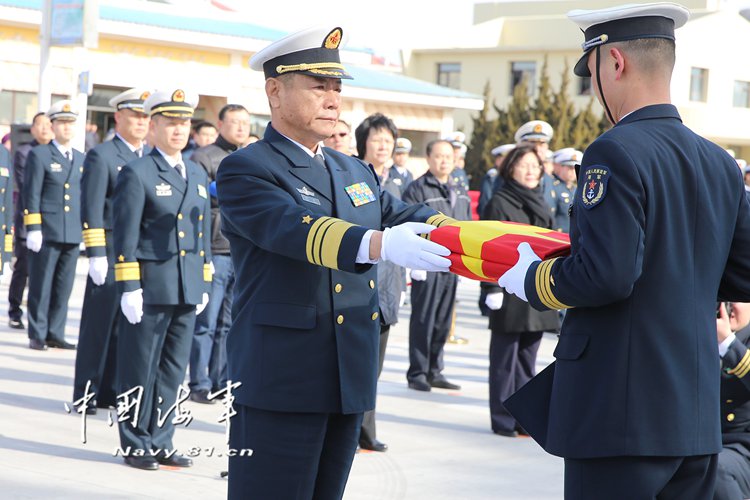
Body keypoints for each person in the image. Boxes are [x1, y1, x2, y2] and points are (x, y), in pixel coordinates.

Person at [498, 3, 750, 498]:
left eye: (590, 74)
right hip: (696, 416)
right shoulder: (720, 162)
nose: (594, 91)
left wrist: (530, 277)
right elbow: (741, 272)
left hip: (621, 415)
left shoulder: (615, 150)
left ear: (614, 62)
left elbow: (606, 275)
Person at [217, 26, 453, 499]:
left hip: (348, 374)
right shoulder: (248, 167)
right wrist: (380, 245)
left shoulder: (351, 168)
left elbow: (405, 215)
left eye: (337, 87)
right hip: (282, 377)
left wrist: (489, 244)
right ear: (275, 90)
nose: (332, 98)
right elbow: (293, 228)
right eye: (318, 85)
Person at [113, 89, 211, 471]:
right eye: (170, 122)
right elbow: (125, 234)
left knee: (173, 369)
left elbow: (200, 232)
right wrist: (129, 286)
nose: (178, 130)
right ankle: (136, 443)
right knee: (140, 368)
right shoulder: (137, 173)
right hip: (150, 286)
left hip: (186, 286)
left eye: (184, 122)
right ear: (152, 126)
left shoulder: (197, 171)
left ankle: (162, 438)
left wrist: (202, 280)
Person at [73, 88, 151, 414]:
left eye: (146, 116)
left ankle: (112, 390)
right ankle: (86, 392)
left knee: (126, 325)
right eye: (134, 115)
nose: (141, 122)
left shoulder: (149, 158)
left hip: (136, 252)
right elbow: (91, 204)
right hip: (108, 246)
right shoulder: (103, 155)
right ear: (118, 116)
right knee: (99, 324)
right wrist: (95, 252)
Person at [480, 144, 560, 437]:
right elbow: (488, 245)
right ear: (510, 167)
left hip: (537, 287)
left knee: (528, 358)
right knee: (504, 359)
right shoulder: (500, 201)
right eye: (524, 164)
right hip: (508, 287)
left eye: (535, 165)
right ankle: (502, 418)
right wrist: (490, 286)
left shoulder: (541, 200)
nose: (530, 170)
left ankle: (524, 418)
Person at [188, 103, 250, 404]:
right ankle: (198, 381)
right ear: (221, 124)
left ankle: (221, 379)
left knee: (229, 323)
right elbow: (196, 199)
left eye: (245, 123)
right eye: (234, 122)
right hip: (215, 250)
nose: (240, 128)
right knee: (206, 322)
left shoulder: (250, 159)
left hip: (241, 251)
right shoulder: (204, 156)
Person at [403, 139, 472, 392]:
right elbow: (408, 222)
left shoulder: (459, 190)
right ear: (429, 159)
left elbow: (468, 226)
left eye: (448, 157)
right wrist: (414, 261)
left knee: (443, 319)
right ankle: (417, 372)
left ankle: (435, 370)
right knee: (424, 318)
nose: (444, 161)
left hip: (452, 264)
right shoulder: (418, 188)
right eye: (439, 156)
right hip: (427, 261)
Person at [353, 112, 401, 453]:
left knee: (376, 366)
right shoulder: (351, 177)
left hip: (390, 284)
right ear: (363, 143)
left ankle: (366, 430)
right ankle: (350, 428)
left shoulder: (397, 181)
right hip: (360, 282)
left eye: (388, 140)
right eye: (377, 139)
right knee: (356, 362)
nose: (383, 145)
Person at [24, 100, 83, 351]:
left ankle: (55, 332)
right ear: (53, 125)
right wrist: (33, 227)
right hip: (47, 229)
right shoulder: (41, 154)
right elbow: (32, 192)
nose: (67, 128)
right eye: (62, 123)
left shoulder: (81, 157)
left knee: (64, 286)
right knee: (41, 283)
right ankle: (37, 332)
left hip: (72, 230)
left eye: (71, 123)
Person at [9, 112, 53, 330]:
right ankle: (15, 309)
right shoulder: (25, 152)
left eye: (48, 124)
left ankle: (42, 317)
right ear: (33, 129)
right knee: (24, 267)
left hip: (53, 223)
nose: (45, 128)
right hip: (29, 220)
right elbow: (28, 187)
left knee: (46, 273)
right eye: (40, 125)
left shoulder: (59, 153)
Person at [715, 301, 750, 500]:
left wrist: (728, 344)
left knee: (716, 470)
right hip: (706, 444)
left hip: (743, 449)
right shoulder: (698, 334)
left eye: (736, 298)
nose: (728, 307)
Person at [549, 147, 582, 233]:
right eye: (570, 167)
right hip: (556, 236)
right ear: (560, 167)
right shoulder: (552, 186)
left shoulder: (575, 189)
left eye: (575, 168)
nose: (573, 171)